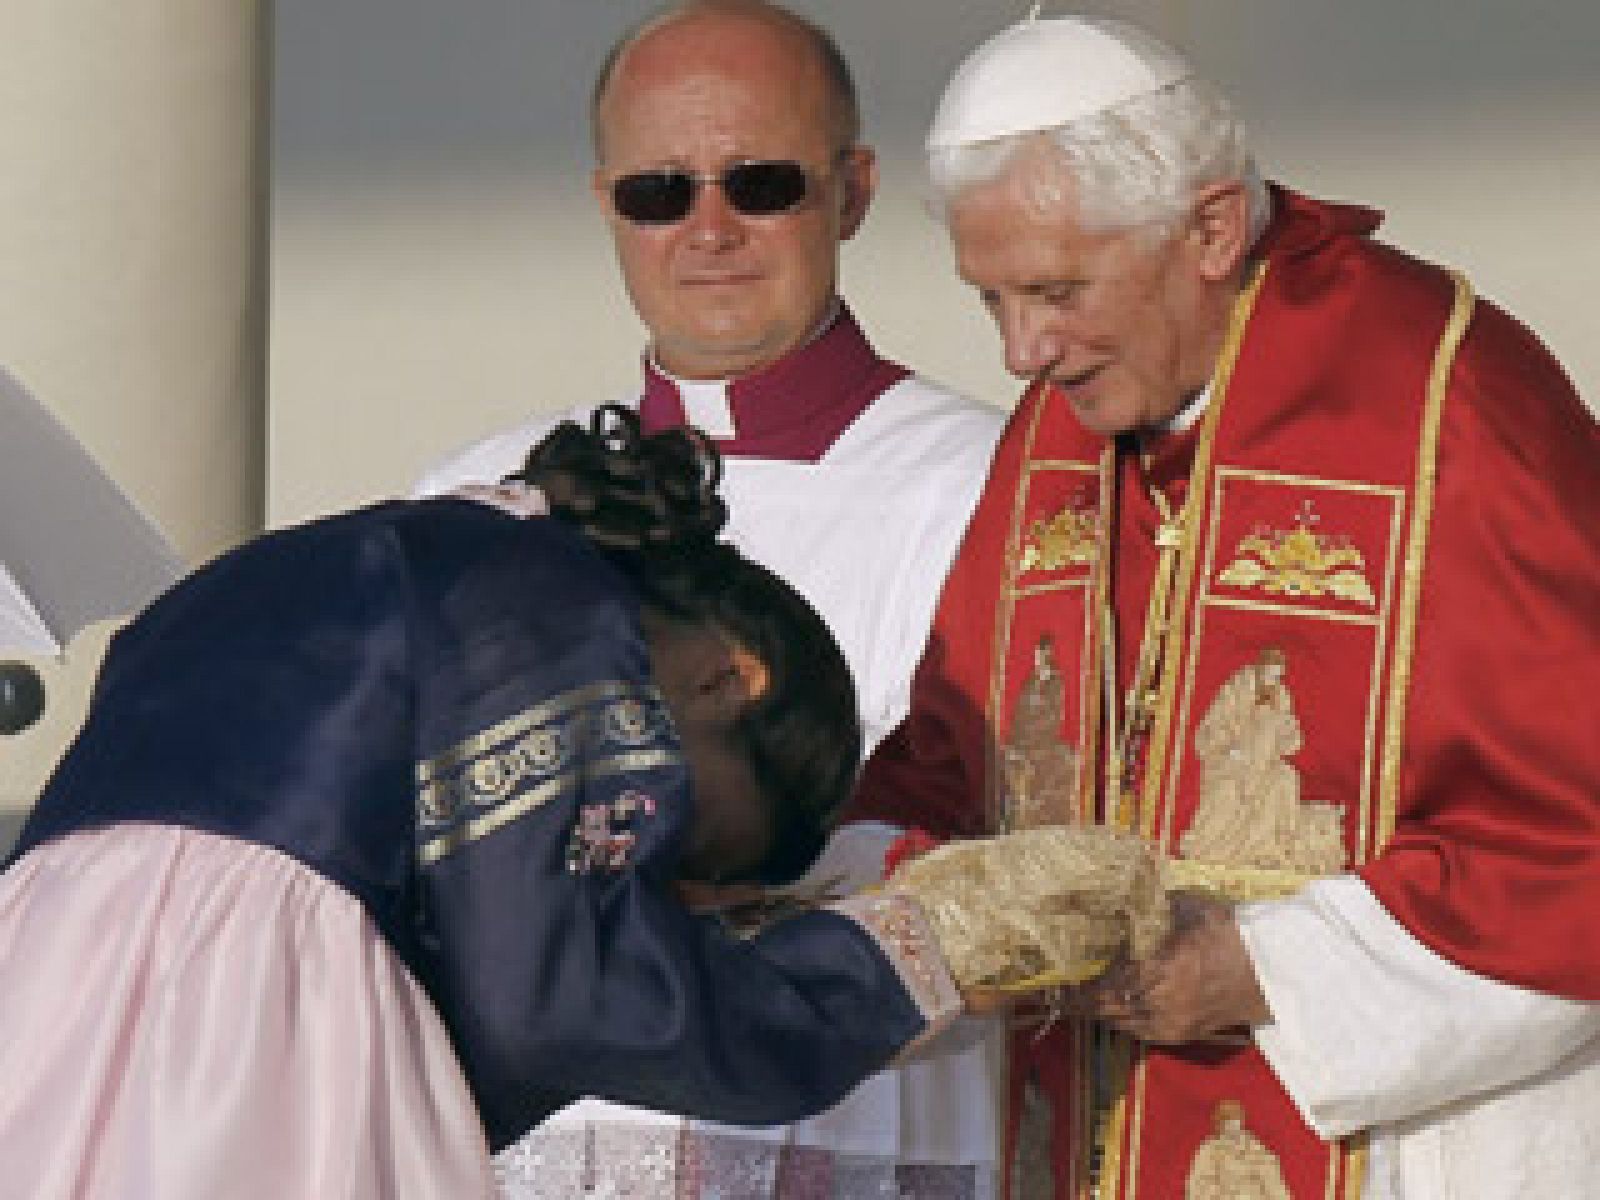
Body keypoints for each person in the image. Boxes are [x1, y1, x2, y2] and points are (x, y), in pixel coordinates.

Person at [846, 13, 1600, 1200]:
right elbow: (956, 754)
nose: (1018, 351)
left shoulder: (1446, 403)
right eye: (989, 298)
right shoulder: (1066, 419)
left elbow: (1573, 840)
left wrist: (1264, 970)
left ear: (1206, 227)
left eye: (1051, 291)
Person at [0, 411, 1062, 1199]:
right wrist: (901, 956)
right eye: (687, 838)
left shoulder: (287, 566)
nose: (662, 885)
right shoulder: (541, 599)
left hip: (43, 1002)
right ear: (728, 678)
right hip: (243, 1044)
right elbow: (565, 996)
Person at [417, 2, 1009, 1195]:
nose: (709, 229)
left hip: (860, 1105)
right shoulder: (481, 493)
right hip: (544, 1129)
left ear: (851, 190)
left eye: (761, 182)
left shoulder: (1004, 479)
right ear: (606, 207)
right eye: (659, 193)